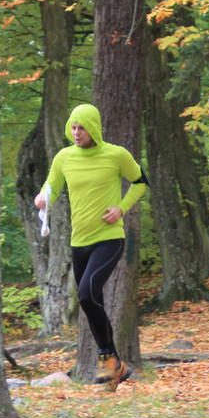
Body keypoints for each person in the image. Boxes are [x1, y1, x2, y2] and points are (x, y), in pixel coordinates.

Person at [34, 103, 149, 392]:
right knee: (89, 300)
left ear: (93, 128)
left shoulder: (116, 155)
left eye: (81, 127)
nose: (76, 132)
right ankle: (115, 366)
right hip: (79, 242)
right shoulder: (64, 158)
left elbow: (140, 182)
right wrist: (42, 198)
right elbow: (51, 188)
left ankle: (108, 360)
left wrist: (121, 209)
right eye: (72, 127)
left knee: (86, 294)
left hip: (108, 238)